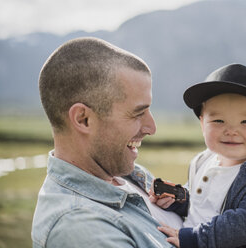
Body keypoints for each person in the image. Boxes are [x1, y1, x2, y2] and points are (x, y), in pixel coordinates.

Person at [31, 37, 182, 248]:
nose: (151, 128)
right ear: (83, 119)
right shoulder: (80, 230)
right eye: (137, 113)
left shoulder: (128, 174)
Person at [150, 64, 246, 248]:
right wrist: (178, 201)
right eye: (218, 120)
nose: (231, 131)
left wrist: (195, 239)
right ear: (203, 123)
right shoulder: (202, 161)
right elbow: (202, 206)